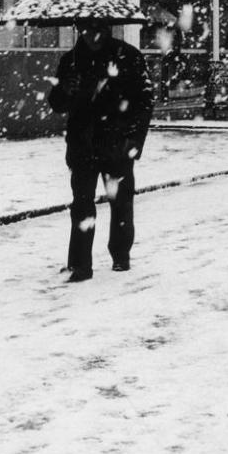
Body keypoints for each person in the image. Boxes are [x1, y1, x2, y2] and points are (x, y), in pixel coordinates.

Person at [48, 20, 154, 282]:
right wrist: (64, 90)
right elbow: (58, 103)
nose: (91, 35)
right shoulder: (71, 61)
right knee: (81, 204)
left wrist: (134, 140)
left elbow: (144, 102)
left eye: (97, 29)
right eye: (85, 29)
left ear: (107, 29)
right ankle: (80, 265)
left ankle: (120, 255)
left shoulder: (128, 56)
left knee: (120, 202)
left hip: (117, 144)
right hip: (83, 144)